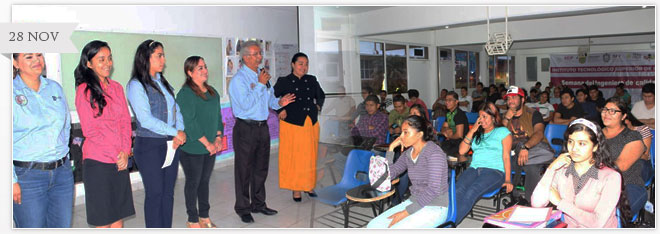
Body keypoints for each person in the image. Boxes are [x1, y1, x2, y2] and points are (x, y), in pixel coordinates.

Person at [228, 40, 295, 223]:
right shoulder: (238, 80)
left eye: (260, 54)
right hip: (245, 128)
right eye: (256, 54)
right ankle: (243, 207)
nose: (260, 57)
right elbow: (245, 105)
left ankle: (259, 203)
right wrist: (258, 84)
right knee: (244, 170)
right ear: (246, 57)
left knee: (261, 168)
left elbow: (270, 100)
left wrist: (280, 103)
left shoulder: (263, 76)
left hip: (261, 128)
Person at [74, 41, 135, 228]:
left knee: (118, 216)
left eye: (109, 58)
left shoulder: (117, 87)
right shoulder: (84, 90)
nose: (107, 63)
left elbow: (125, 121)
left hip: (119, 159)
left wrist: (125, 150)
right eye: (101, 59)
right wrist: (116, 154)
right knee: (103, 219)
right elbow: (91, 130)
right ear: (89, 63)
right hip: (98, 161)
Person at [126, 39, 186, 228]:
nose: (163, 59)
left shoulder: (163, 82)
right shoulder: (136, 85)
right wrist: (174, 132)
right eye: (159, 55)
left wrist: (180, 131)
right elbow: (145, 120)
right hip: (150, 145)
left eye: (163, 55)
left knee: (168, 193)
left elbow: (176, 109)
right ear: (146, 58)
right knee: (155, 193)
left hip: (170, 143)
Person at [531, 118, 630, 228]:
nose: (574, 149)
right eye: (570, 142)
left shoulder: (611, 177)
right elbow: (537, 203)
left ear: (595, 146)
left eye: (582, 144)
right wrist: (551, 169)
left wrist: (560, 203)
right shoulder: (562, 170)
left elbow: (597, 223)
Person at [13, 53, 74, 228]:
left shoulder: (54, 88)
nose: (37, 60)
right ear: (16, 63)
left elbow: (66, 125)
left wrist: (65, 157)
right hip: (27, 176)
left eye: (39, 55)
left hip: (61, 173)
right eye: (29, 57)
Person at [366, 115, 449, 228]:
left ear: (419, 134)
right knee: (373, 226)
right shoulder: (408, 154)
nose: (401, 137)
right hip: (414, 201)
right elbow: (389, 175)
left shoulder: (434, 153)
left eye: (405, 133)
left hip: (435, 205)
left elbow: (433, 190)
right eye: (401, 133)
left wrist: (405, 213)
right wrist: (391, 149)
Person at [175, 56, 224, 228]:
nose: (205, 70)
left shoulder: (212, 92)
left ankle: (204, 216)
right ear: (189, 72)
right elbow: (190, 123)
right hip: (192, 148)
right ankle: (192, 219)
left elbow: (218, 117)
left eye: (205, 66)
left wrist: (218, 138)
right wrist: (207, 143)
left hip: (209, 147)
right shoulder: (185, 94)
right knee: (193, 182)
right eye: (199, 68)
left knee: (204, 181)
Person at [273, 52, 325, 202]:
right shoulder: (284, 81)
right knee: (295, 158)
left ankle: (309, 186)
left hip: (310, 123)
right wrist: (280, 109)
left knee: (310, 157)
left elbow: (321, 95)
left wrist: (318, 106)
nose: (304, 67)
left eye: (306, 64)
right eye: (301, 63)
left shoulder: (312, 79)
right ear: (293, 65)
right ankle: (296, 189)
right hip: (292, 124)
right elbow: (272, 97)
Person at [455, 102, 514, 224]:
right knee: (457, 190)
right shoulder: (477, 134)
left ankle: (448, 226)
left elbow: (506, 157)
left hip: (495, 171)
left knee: (471, 191)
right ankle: (447, 219)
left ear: (493, 118)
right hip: (474, 168)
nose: (482, 120)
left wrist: (508, 179)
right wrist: (472, 131)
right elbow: (461, 151)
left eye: (485, 116)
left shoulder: (502, 132)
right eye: (480, 117)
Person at [502, 86, 555, 203]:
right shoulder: (505, 116)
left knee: (531, 167)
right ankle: (532, 202)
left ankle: (530, 201)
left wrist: (525, 147)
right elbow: (499, 137)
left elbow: (539, 133)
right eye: (508, 98)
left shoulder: (533, 114)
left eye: (514, 98)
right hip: (514, 153)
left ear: (523, 99)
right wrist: (506, 119)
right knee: (530, 165)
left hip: (532, 148)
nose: (510, 101)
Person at [601, 97, 647, 216]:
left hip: (627, 185)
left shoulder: (632, 136)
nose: (606, 114)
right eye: (605, 110)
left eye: (613, 111)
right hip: (596, 184)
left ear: (623, 116)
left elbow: (620, 166)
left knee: (609, 215)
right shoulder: (594, 134)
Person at [624, 113, 653, 183]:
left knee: (639, 164)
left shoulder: (642, 129)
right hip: (623, 163)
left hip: (641, 162)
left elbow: (645, 156)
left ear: (628, 120)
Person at [439, 91, 469, 157]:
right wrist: (447, 130)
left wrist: (449, 135)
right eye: (446, 100)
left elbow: (459, 135)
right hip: (452, 141)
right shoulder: (449, 114)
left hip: (461, 143)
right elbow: (443, 128)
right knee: (436, 148)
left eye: (450, 100)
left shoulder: (459, 114)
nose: (447, 102)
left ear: (456, 102)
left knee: (442, 152)